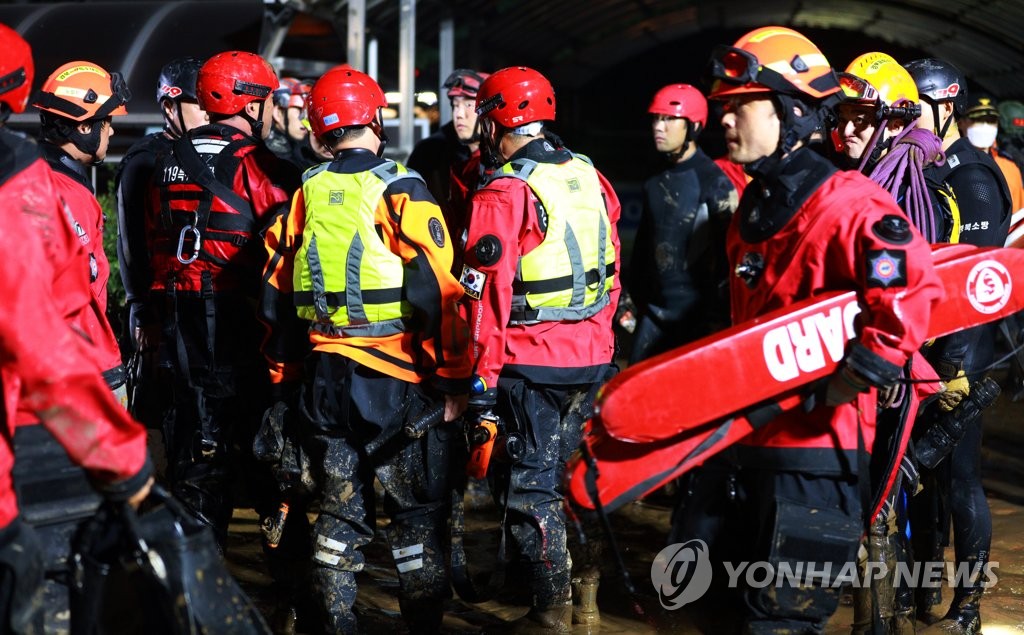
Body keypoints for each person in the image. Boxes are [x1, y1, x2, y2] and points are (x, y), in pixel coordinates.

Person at [675, 27, 942, 633]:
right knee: (704, 611)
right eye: (723, 107)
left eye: (741, 105)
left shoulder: (851, 203)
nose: (726, 119)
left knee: (782, 623)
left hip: (818, 459)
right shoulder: (750, 209)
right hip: (741, 447)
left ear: (793, 112)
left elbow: (909, 293)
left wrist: (858, 376)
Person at [260, 65, 472, 633]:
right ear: (374, 120)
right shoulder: (402, 188)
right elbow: (441, 293)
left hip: (324, 381)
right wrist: (453, 382)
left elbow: (275, 291)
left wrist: (284, 374)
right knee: (415, 517)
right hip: (394, 380)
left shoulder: (306, 191)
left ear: (321, 131)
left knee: (338, 513)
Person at [0, 22, 153, 631]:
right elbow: (53, 325)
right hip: (56, 403)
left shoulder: (41, 178)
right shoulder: (35, 192)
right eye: (108, 121)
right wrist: (122, 454)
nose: (113, 132)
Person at [460, 66, 621, 633]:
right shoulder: (589, 175)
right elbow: (612, 268)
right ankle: (589, 603)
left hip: (532, 365)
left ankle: (549, 612)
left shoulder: (504, 190)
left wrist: (479, 385)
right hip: (593, 357)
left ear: (495, 118)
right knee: (580, 478)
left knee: (533, 485)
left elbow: (485, 299)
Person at [144, 50, 300, 544]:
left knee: (199, 461)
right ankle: (294, 598)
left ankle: (196, 592)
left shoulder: (163, 161)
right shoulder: (266, 167)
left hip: (179, 333)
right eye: (270, 102)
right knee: (269, 455)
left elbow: (151, 245)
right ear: (251, 105)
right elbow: (288, 258)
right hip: (246, 331)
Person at [905, 58, 1012, 634]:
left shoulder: (971, 177)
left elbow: (977, 283)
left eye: (912, 107)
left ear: (946, 104)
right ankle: (920, 597)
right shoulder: (922, 169)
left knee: (961, 477)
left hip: (962, 355)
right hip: (922, 351)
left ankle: (967, 607)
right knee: (919, 481)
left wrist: (955, 364)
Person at [32, 60, 131, 398]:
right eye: (107, 122)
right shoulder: (67, 193)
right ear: (85, 128)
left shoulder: (31, 176)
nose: (112, 131)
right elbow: (79, 289)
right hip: (80, 367)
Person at [627, 82, 737, 364]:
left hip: (697, 322)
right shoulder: (654, 181)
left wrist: (720, 320)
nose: (658, 127)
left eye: (668, 119)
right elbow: (642, 252)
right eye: (656, 118)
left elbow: (731, 261)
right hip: (653, 315)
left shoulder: (715, 183)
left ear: (694, 126)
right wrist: (628, 299)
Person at [407, 68, 490, 255]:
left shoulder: (505, 159)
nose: (459, 114)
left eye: (469, 105)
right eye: (455, 105)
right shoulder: (430, 153)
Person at [959, 93, 1024, 217]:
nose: (985, 126)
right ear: (961, 123)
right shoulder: (948, 162)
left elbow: (1018, 215)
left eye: (991, 121)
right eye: (977, 120)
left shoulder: (1010, 167)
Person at [267, 76, 319, 170]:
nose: (306, 119)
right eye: (300, 110)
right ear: (278, 113)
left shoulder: (305, 152)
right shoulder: (264, 158)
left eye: (308, 112)